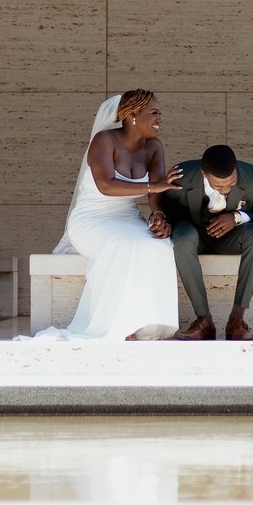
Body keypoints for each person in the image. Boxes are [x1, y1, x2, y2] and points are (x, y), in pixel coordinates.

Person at [30, 90, 184, 342]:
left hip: (127, 218)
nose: (159, 119)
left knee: (157, 244)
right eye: (154, 113)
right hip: (92, 219)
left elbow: (156, 192)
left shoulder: (154, 147)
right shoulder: (104, 141)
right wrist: (153, 187)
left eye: (160, 113)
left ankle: (144, 324)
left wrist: (158, 216)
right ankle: (116, 326)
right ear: (133, 115)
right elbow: (106, 185)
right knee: (124, 245)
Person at [158, 143, 253, 341]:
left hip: (232, 239)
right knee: (183, 236)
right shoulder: (182, 175)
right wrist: (161, 220)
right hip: (193, 236)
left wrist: (238, 217)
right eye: (219, 186)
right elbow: (163, 207)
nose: (225, 190)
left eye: (230, 184)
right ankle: (203, 320)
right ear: (204, 173)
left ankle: (236, 320)